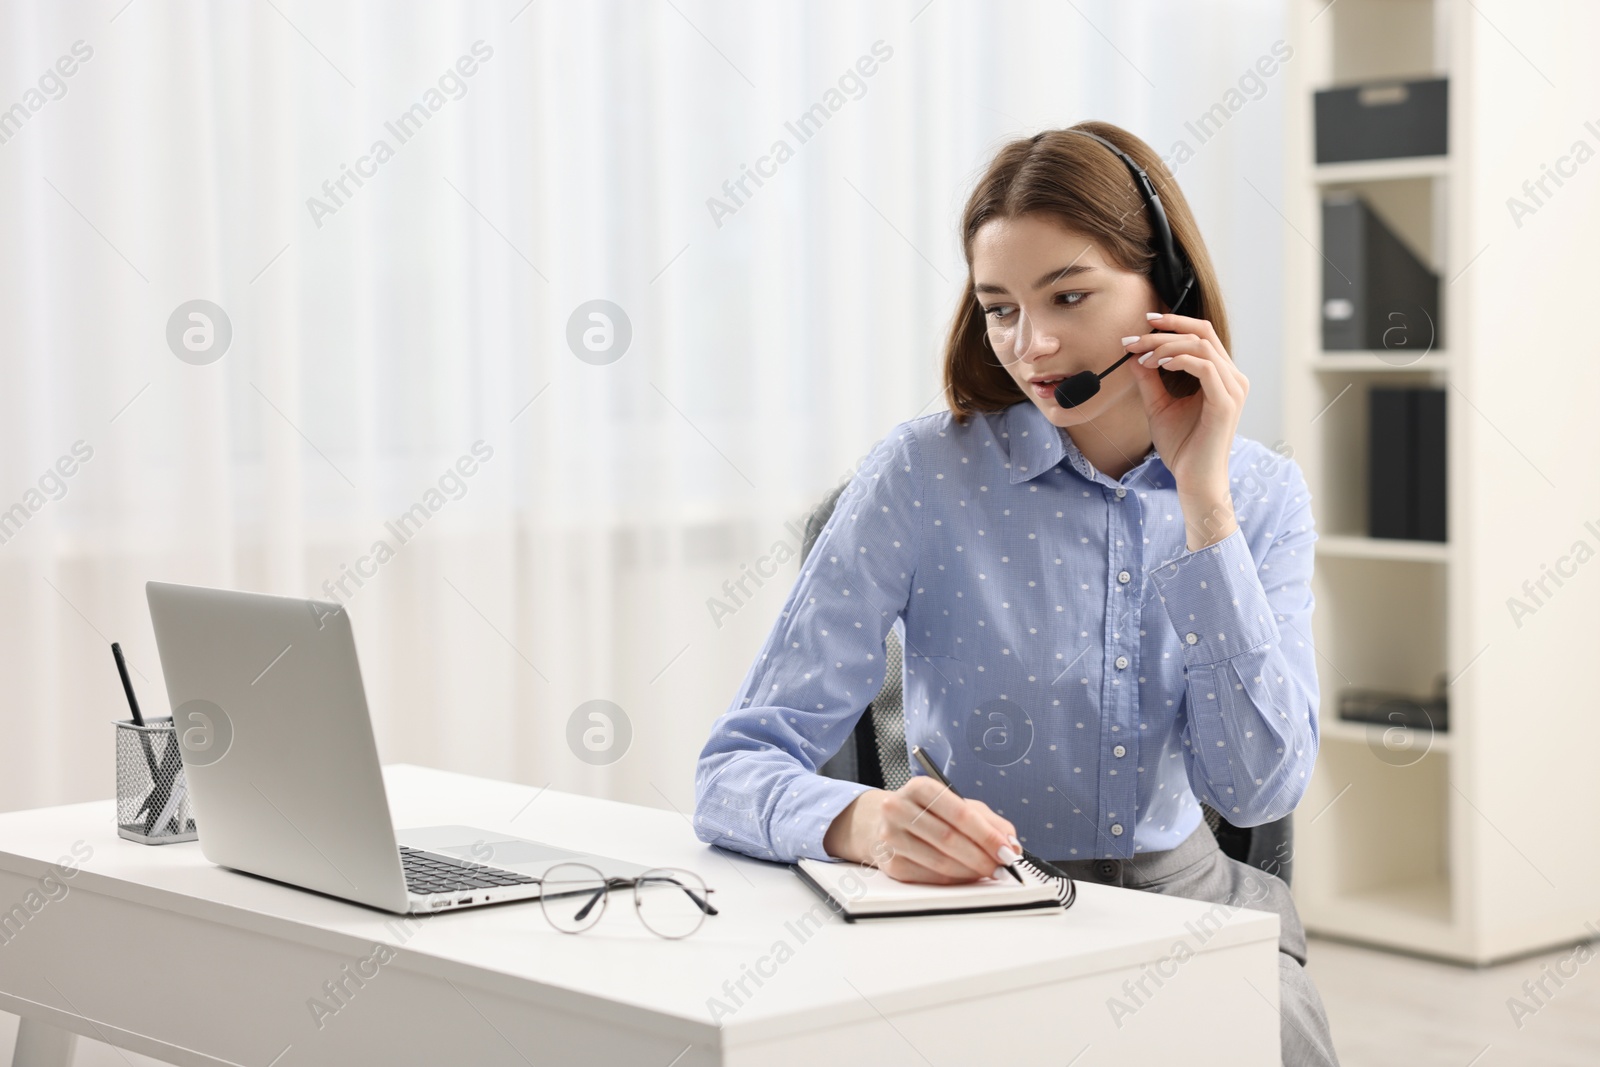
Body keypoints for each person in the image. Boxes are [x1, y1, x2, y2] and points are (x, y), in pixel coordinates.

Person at [692, 121, 1338, 1066]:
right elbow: (733, 770)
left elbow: (1257, 785)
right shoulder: (918, 476)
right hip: (977, 907)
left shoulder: (1263, 495)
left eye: (1068, 297)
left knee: (1274, 1029)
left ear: (1164, 289)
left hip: (1187, 907)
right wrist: (863, 822)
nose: (1031, 347)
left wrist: (1204, 505)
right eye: (999, 309)